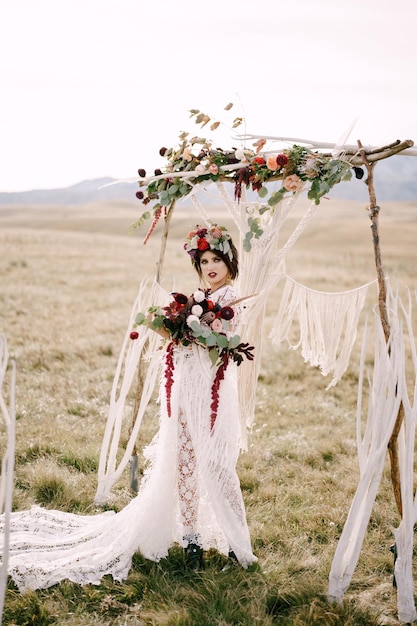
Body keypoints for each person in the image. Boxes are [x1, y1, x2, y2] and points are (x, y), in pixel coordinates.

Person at [0, 224, 257, 592]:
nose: (210, 266)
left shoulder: (233, 298)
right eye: (204, 261)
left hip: (214, 397)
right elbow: (187, 344)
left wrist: (192, 329)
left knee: (217, 465)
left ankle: (236, 542)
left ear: (229, 261)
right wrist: (172, 329)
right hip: (185, 391)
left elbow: (223, 342)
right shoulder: (199, 296)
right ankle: (191, 539)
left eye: (216, 259)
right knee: (184, 464)